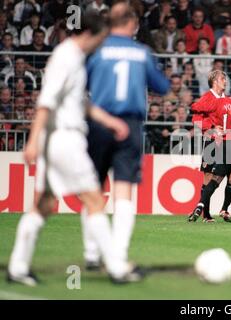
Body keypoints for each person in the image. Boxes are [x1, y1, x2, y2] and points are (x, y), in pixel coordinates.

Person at [7, 11, 140, 286]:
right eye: (101, 39)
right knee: (94, 200)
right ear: (90, 34)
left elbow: (80, 102)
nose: (101, 45)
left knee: (43, 207)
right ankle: (116, 267)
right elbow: (46, 102)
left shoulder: (75, 57)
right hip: (64, 139)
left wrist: (109, 121)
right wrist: (32, 141)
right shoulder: (66, 57)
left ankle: (18, 267)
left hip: (57, 140)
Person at [81, 1, 170, 269]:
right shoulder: (141, 52)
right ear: (133, 24)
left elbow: (79, 84)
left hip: (99, 123)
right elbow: (163, 87)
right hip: (129, 125)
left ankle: (92, 253)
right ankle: (117, 256)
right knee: (123, 191)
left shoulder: (96, 50)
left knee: (93, 189)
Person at [190, 81, 231, 223]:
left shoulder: (221, 102)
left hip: (226, 143)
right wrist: (211, 126)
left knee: (218, 179)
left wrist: (213, 124)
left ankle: (204, 207)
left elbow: (196, 107)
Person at [188, 70, 231, 223]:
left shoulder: (226, 99)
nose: (225, 81)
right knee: (208, 177)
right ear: (215, 81)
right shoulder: (206, 98)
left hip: (227, 141)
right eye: (223, 78)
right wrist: (212, 128)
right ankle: (206, 215)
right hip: (212, 141)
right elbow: (196, 121)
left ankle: (224, 209)